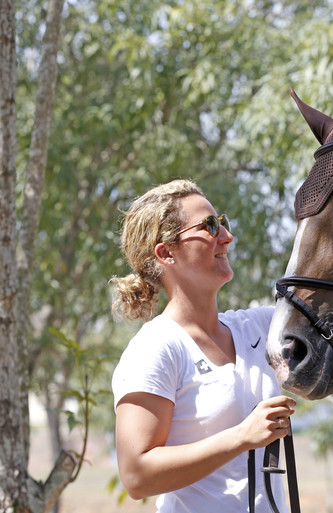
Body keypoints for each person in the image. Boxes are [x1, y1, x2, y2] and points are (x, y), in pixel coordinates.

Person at [110, 179, 296, 512]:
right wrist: (241, 437)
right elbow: (137, 476)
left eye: (222, 223)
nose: (226, 237)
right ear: (167, 253)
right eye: (210, 227)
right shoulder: (156, 348)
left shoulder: (259, 327)